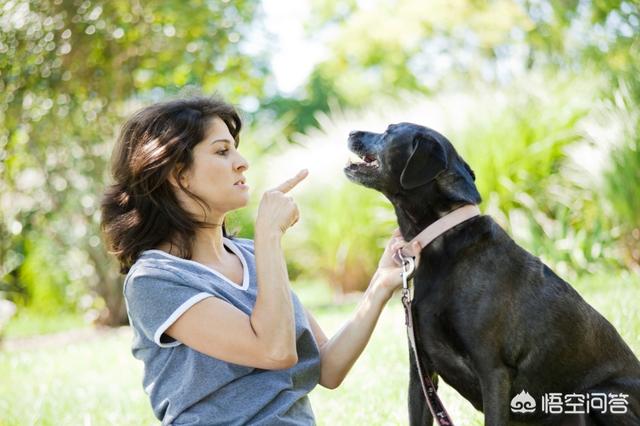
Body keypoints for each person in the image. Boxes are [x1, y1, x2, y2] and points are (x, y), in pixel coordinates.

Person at [100, 96, 420, 425]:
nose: (242, 162)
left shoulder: (252, 256)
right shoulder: (154, 280)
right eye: (222, 151)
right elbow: (275, 351)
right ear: (178, 174)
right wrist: (269, 236)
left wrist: (380, 284)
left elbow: (327, 367)